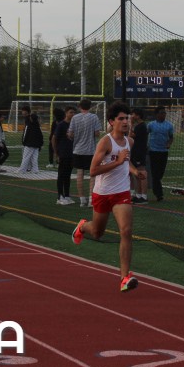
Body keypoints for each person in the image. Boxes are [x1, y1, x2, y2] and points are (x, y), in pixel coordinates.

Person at [71, 102, 146, 292]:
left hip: (122, 193)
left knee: (126, 231)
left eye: (127, 118)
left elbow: (126, 162)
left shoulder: (130, 141)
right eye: (121, 118)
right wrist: (118, 161)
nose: (125, 122)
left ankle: (124, 278)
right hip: (102, 193)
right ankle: (83, 226)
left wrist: (135, 172)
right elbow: (93, 170)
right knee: (97, 232)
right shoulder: (105, 142)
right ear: (112, 121)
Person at [68, 99, 101, 207]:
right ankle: (91, 199)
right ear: (90, 106)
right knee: (92, 175)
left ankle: (82, 199)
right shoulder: (94, 117)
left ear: (79, 106)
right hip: (90, 150)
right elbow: (97, 133)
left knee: (79, 174)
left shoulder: (75, 118)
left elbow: (70, 134)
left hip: (78, 149)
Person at [146, 106, 174, 201]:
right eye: (162, 113)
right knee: (155, 174)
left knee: (160, 173)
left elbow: (171, 137)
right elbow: (146, 134)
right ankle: (159, 194)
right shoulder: (151, 125)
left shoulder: (169, 125)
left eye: (164, 113)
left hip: (163, 152)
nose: (164, 114)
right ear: (157, 114)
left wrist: (169, 144)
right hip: (153, 151)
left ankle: (157, 190)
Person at [52, 107, 76, 205]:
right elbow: (54, 138)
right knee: (61, 175)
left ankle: (67, 195)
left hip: (71, 153)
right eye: (71, 112)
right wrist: (56, 153)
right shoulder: (61, 125)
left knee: (68, 175)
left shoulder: (74, 125)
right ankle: (60, 197)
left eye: (74, 112)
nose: (73, 114)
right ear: (66, 113)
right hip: (63, 153)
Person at [129, 108, 149, 203]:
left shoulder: (141, 126)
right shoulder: (140, 126)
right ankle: (139, 195)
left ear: (138, 115)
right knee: (137, 174)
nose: (132, 116)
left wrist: (131, 124)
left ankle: (144, 196)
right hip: (137, 152)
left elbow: (130, 136)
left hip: (139, 152)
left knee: (141, 172)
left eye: (133, 114)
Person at [19, 106, 43, 173]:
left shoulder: (28, 121)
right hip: (36, 142)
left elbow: (26, 132)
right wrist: (40, 143)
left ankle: (22, 169)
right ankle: (35, 169)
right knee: (34, 157)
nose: (22, 112)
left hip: (30, 142)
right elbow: (40, 134)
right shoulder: (36, 125)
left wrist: (23, 141)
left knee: (26, 156)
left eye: (23, 111)